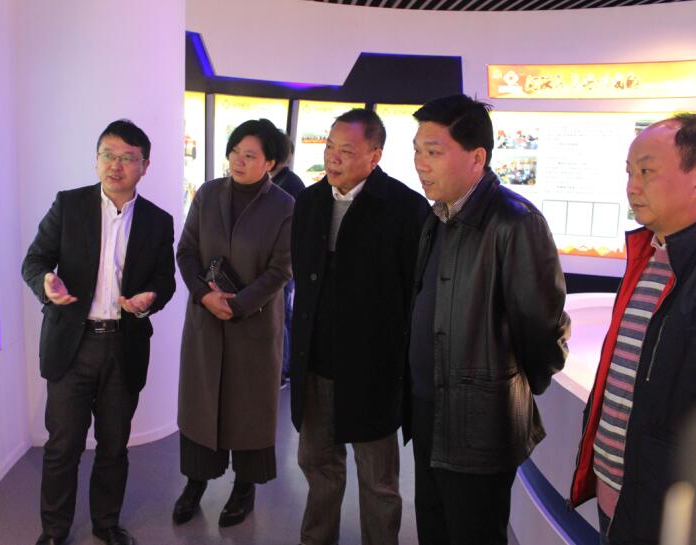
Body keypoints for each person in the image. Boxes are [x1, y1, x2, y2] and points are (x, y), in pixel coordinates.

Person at [403, 94, 570, 545]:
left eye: (433, 151)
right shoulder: (437, 216)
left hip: (479, 421)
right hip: (429, 409)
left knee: (474, 532)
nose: (420, 163)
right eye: (417, 150)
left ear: (477, 157)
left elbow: (541, 329)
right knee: (434, 527)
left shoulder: (516, 222)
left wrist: (508, 387)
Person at [22, 119, 176, 545]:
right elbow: (34, 260)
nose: (115, 165)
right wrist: (46, 284)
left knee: (113, 446)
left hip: (123, 346)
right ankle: (54, 531)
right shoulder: (69, 205)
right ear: (96, 160)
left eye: (127, 158)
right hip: (72, 345)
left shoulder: (158, 221)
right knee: (63, 447)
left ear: (145, 166)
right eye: (108, 155)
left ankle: (106, 525)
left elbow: (165, 281)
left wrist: (149, 299)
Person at [290, 108, 430, 545]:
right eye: (329, 147)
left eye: (346, 151)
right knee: (318, 468)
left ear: (375, 155)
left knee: (379, 480)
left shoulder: (405, 209)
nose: (333, 157)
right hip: (316, 364)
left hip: (373, 371)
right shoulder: (310, 202)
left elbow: (417, 293)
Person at [570, 113, 696, 545]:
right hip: (620, 492)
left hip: (669, 512)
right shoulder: (650, 254)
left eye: (646, 171)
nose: (632, 187)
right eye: (629, 172)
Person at [174, 118, 293, 528]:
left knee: (249, 410)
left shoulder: (284, 206)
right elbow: (186, 251)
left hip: (253, 325)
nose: (238, 161)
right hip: (206, 320)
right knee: (200, 404)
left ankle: (245, 489)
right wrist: (204, 295)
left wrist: (239, 304)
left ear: (270, 162)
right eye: (235, 152)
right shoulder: (208, 194)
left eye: (250, 155)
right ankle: (194, 483)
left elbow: (281, 269)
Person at [270, 129, 305, 385]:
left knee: (281, 313)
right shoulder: (289, 182)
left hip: (284, 262)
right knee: (286, 313)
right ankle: (289, 367)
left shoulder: (285, 187)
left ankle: (283, 370)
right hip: (290, 260)